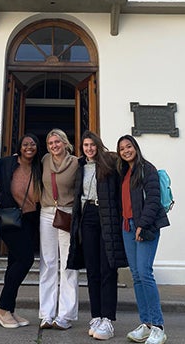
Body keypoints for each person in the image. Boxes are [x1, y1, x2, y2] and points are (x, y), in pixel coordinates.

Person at [67, 130, 128, 340]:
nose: (89, 149)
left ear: (98, 145)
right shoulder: (80, 166)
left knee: (107, 269)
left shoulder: (109, 164)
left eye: (92, 145)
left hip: (107, 217)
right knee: (92, 269)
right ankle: (96, 316)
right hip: (87, 217)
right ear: (81, 148)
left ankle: (108, 319)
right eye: (85, 145)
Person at [117, 135, 170, 344]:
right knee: (136, 275)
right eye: (121, 148)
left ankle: (158, 326)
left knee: (145, 273)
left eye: (129, 146)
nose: (126, 151)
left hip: (144, 227)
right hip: (127, 227)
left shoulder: (147, 169)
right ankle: (146, 324)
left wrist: (142, 225)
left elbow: (154, 200)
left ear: (136, 147)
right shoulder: (124, 172)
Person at [0, 133, 42, 329]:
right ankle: (2, 307)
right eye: (25, 144)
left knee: (14, 261)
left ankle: (9, 310)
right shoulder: (6, 163)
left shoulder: (39, 166)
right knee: (25, 259)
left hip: (30, 219)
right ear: (19, 147)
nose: (29, 147)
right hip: (9, 217)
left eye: (33, 144)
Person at [39, 128, 79, 330]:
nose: (54, 146)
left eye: (57, 142)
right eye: (50, 143)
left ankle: (65, 315)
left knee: (68, 263)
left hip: (67, 213)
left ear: (65, 143)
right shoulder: (45, 160)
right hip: (46, 212)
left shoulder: (76, 163)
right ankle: (46, 313)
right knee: (48, 263)